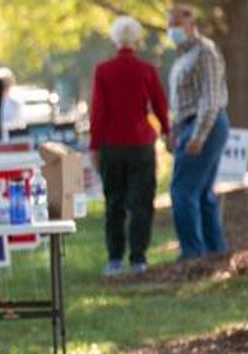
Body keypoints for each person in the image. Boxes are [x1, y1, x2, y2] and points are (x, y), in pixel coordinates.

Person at [90, 15, 170, 275]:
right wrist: (167, 131)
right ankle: (138, 258)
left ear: (114, 39)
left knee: (114, 201)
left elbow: (98, 112)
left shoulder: (103, 70)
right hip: (140, 143)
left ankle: (114, 258)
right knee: (142, 201)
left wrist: (94, 145)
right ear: (137, 40)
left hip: (112, 145)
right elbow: (159, 104)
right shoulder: (146, 70)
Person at [167, 3, 230, 260]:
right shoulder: (184, 54)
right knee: (202, 193)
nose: (172, 30)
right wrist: (174, 129)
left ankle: (192, 252)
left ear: (190, 22)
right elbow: (183, 99)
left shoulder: (206, 52)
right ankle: (215, 252)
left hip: (205, 125)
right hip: (188, 124)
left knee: (182, 190)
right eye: (169, 25)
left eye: (177, 24)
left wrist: (198, 135)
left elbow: (210, 99)